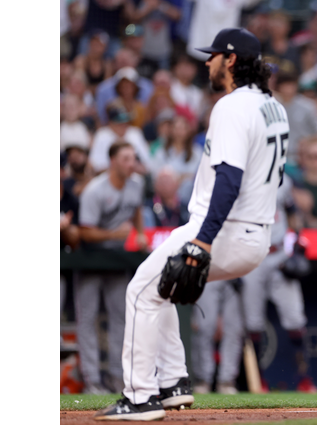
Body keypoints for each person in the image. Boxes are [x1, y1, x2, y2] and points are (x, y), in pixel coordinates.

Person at [94, 28, 289, 420]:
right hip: (255, 234)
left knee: (139, 291)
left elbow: (229, 180)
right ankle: (174, 384)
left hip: (224, 229)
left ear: (230, 60)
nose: (207, 61)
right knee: (159, 288)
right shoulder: (273, 106)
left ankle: (139, 398)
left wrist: (203, 240)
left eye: (214, 55)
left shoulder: (233, 106)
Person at [77, 142, 147, 395]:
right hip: (91, 261)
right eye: (126, 158)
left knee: (121, 318)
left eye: (133, 158)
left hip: (118, 261)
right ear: (113, 161)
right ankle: (92, 379)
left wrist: (139, 233)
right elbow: (84, 232)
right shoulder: (95, 190)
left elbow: (136, 209)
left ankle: (118, 376)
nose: (131, 163)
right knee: (88, 319)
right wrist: (115, 233)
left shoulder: (136, 185)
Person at [241, 176, 317, 393]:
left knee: (295, 319)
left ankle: (305, 380)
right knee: (253, 324)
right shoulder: (241, 178)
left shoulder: (282, 180)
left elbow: (292, 211)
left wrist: (295, 240)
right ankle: (259, 383)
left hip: (278, 256)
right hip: (251, 257)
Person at [89, 101, 152, 174]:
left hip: (135, 176)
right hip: (110, 179)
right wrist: (121, 169)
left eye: (126, 121)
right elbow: (96, 167)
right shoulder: (102, 135)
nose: (124, 125)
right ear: (111, 123)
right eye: (120, 122)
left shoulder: (135, 133)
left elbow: (147, 164)